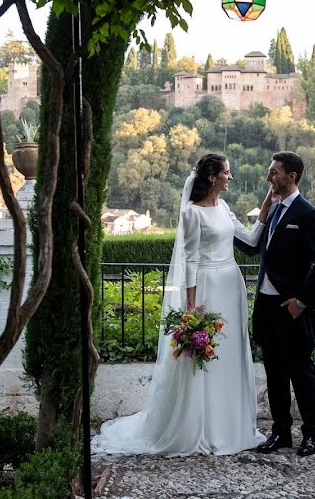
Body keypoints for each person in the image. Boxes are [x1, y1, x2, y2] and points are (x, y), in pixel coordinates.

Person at [92, 153, 272, 456]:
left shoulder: (225, 206)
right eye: (227, 172)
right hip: (208, 287)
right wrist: (190, 307)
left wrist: (269, 198)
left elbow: (252, 240)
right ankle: (203, 427)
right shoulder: (192, 213)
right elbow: (190, 260)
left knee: (230, 355)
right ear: (213, 177)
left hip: (231, 284)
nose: (230, 177)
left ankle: (231, 425)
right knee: (203, 360)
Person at [236, 151, 315, 457]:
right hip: (265, 307)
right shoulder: (275, 210)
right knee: (275, 372)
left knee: (301, 373)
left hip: (291, 309)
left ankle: (311, 435)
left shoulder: (307, 213)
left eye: (274, 172)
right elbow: (252, 248)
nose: (269, 177)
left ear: (292, 177)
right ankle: (281, 433)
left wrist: (302, 302)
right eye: (269, 171)